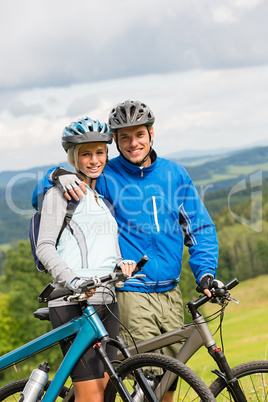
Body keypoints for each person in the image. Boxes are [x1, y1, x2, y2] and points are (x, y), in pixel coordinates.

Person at [33, 101, 219, 402]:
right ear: (116, 142)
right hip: (131, 291)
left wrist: (206, 272)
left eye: (139, 135)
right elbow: (54, 190)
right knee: (146, 381)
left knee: (168, 385)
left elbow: (199, 229)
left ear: (151, 133)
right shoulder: (107, 174)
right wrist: (56, 175)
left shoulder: (175, 174)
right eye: (125, 137)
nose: (133, 143)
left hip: (171, 293)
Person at [36, 117, 136, 402]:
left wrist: (121, 264)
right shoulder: (60, 195)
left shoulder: (101, 201)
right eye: (86, 153)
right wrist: (73, 280)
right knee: (90, 395)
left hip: (107, 301)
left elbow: (108, 250)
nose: (94, 160)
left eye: (100, 152)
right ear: (74, 157)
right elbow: (44, 247)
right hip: (73, 302)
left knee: (107, 393)